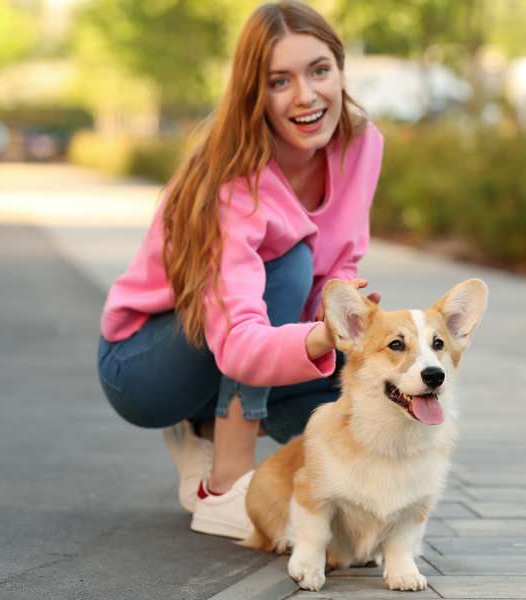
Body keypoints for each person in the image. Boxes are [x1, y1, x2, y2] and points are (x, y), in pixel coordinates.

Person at [96, 1, 383, 540]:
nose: (306, 95)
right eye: (280, 81)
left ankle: (203, 425)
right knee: (289, 257)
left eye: (319, 70)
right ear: (256, 93)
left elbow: (345, 255)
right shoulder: (236, 183)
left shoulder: (361, 144)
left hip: (238, 345)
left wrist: (346, 313)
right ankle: (228, 486)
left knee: (345, 408)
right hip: (145, 364)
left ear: (340, 68)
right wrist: (320, 335)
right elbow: (238, 340)